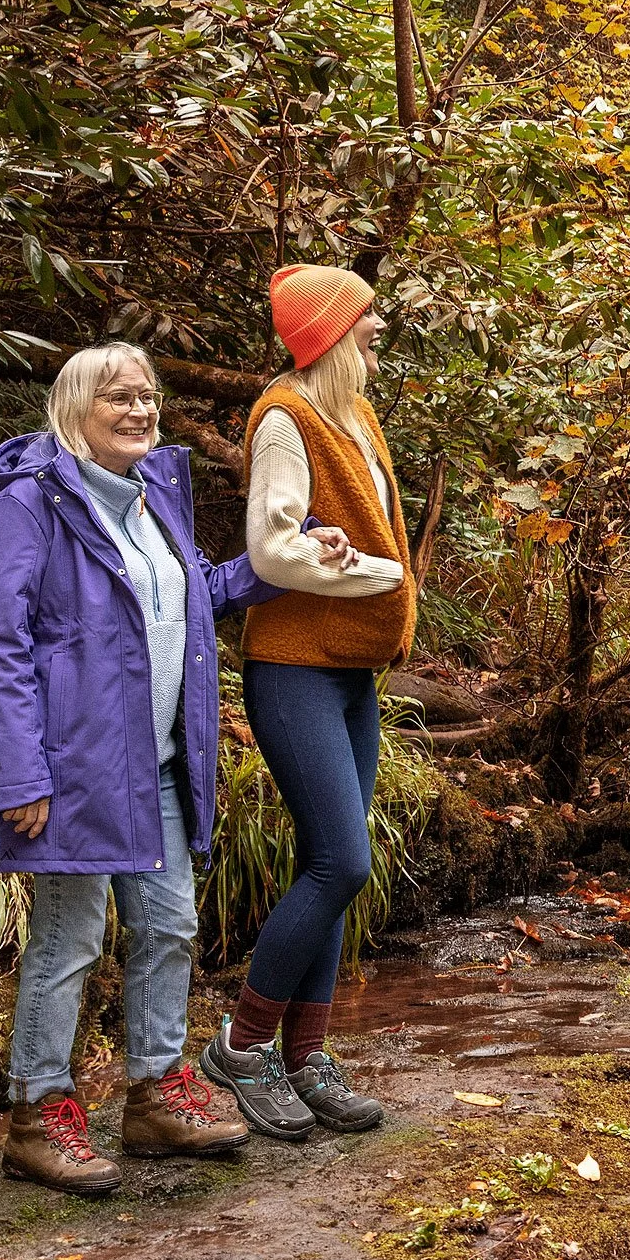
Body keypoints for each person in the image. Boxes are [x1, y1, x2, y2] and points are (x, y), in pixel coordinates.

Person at [0, 342, 355, 1192]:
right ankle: (36, 1115)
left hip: (159, 768)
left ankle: (153, 1093)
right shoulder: (29, 507)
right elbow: (0, 646)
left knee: (171, 926)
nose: (141, 410)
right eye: (120, 398)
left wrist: (285, 558)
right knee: (67, 943)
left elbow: (198, 591)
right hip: (73, 771)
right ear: (77, 410)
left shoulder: (153, 500)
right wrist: (21, 773)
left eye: (148, 396)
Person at [200, 263, 414, 1141]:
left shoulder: (350, 410)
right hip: (293, 670)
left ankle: (307, 1057)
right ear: (328, 332)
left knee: (326, 864)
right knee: (343, 861)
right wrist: (380, 575)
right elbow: (272, 549)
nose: (377, 329)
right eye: (365, 318)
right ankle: (242, 1044)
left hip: (348, 672)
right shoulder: (285, 418)